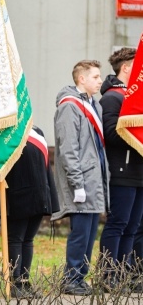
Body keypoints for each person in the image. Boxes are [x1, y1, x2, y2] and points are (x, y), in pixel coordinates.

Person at [51, 60, 109, 296]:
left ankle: (79, 277)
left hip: (93, 180)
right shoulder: (70, 106)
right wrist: (77, 183)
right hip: (81, 182)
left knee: (89, 234)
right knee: (80, 234)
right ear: (81, 79)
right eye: (95, 77)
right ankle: (71, 278)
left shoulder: (93, 105)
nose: (100, 81)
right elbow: (68, 149)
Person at [98, 47, 143, 290]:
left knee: (133, 226)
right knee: (118, 224)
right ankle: (108, 274)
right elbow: (111, 135)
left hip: (139, 172)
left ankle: (123, 274)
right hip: (121, 172)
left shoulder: (137, 98)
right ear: (126, 68)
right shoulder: (112, 98)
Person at [6, 125, 59, 299]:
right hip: (17, 193)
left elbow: (45, 169)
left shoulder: (37, 131)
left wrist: (49, 195)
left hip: (38, 194)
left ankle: (24, 280)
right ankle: (15, 283)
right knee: (16, 238)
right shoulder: (6, 131)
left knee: (28, 239)